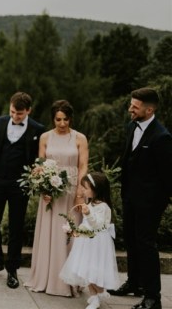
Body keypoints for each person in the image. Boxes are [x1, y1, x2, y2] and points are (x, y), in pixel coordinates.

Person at [108, 87, 172, 309]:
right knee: (132, 242)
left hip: (150, 203)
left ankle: (153, 297)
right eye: (131, 105)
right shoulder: (131, 127)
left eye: (135, 107)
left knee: (146, 245)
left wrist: (156, 204)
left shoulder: (162, 137)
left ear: (149, 109)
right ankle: (134, 283)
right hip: (130, 198)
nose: (130, 109)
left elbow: (167, 178)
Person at [0, 92, 45, 288]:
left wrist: (32, 179)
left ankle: (12, 269)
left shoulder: (37, 129)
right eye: (12, 112)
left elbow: (38, 158)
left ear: (28, 111)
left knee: (16, 226)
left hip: (20, 184)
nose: (15, 116)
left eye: (20, 114)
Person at [25, 100, 89, 296]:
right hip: (51, 194)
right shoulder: (45, 137)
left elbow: (83, 166)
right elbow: (40, 164)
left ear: (71, 118)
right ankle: (47, 277)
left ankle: (70, 280)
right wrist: (43, 186)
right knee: (50, 233)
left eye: (66, 119)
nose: (62, 124)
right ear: (53, 119)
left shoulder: (80, 138)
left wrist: (80, 193)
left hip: (71, 191)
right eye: (58, 119)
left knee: (70, 233)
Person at [60, 172, 120, 309]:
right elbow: (86, 223)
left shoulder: (104, 207)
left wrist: (88, 213)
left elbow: (98, 225)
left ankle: (100, 292)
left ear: (96, 189)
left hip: (97, 242)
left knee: (93, 270)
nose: (83, 191)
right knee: (85, 269)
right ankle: (94, 297)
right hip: (86, 241)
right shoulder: (90, 203)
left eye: (86, 188)